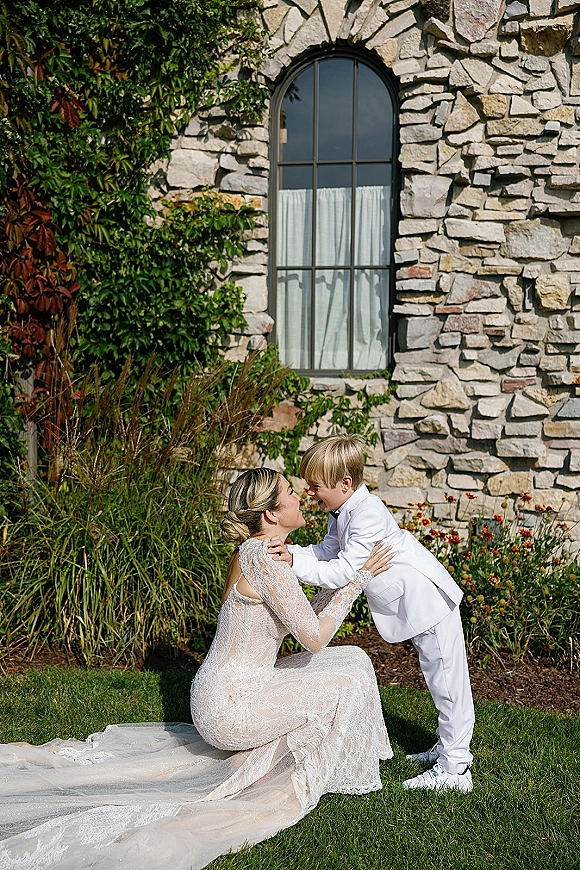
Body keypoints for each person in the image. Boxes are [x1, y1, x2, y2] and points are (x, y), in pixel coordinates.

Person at [0, 468, 393, 870]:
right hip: (231, 706)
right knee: (348, 672)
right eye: (291, 492)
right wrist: (357, 580)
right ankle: (286, 783)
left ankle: (257, 759)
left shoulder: (254, 551)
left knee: (344, 663)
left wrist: (346, 579)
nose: (300, 497)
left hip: (224, 692)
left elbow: (304, 619)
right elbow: (314, 637)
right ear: (272, 515)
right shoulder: (268, 560)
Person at [268, 435, 475, 793]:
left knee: (447, 682)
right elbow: (327, 550)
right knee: (438, 677)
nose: (310, 493)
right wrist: (292, 554)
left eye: (316, 486)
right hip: (413, 602)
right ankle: (447, 748)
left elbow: (343, 571)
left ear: (344, 484)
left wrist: (292, 565)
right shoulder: (343, 511)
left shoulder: (367, 514)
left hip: (427, 600)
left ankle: (456, 769)